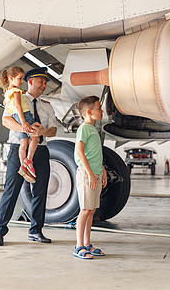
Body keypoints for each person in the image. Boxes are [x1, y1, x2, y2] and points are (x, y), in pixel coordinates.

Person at [0, 67, 57, 246]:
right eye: (41, 81)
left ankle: (35, 231)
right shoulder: (16, 96)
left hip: (41, 151)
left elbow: (53, 130)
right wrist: (25, 129)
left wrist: (42, 131)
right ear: (30, 81)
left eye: (45, 82)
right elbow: (5, 120)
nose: (44, 85)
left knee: (40, 192)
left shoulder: (47, 106)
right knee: (11, 191)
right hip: (18, 148)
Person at [73, 95, 107, 259]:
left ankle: (87, 243)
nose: (102, 111)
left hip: (96, 173)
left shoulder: (93, 129)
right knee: (85, 210)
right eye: (99, 108)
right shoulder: (84, 128)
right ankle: (78, 246)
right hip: (87, 175)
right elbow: (80, 152)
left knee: (92, 210)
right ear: (88, 112)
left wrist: (102, 170)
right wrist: (90, 174)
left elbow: (94, 154)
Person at [0, 66, 39, 183]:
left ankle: (23, 166)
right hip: (24, 115)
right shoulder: (16, 91)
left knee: (24, 143)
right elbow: (18, 106)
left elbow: (6, 103)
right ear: (11, 78)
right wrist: (24, 122)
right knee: (35, 138)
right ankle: (29, 161)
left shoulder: (7, 92)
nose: (22, 82)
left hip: (15, 117)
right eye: (20, 78)